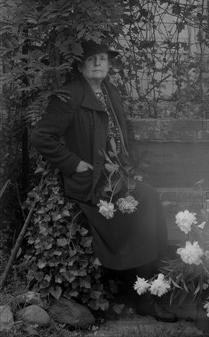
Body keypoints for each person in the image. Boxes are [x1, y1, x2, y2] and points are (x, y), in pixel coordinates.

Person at [31, 40, 177, 322]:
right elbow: (41, 137)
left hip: (119, 177)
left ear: (109, 65)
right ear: (79, 65)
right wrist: (74, 163)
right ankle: (145, 296)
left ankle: (148, 292)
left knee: (148, 200)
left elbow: (124, 133)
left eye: (103, 59)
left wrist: (132, 167)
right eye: (91, 59)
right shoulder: (69, 96)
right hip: (92, 183)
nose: (98, 63)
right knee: (144, 204)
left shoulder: (110, 92)